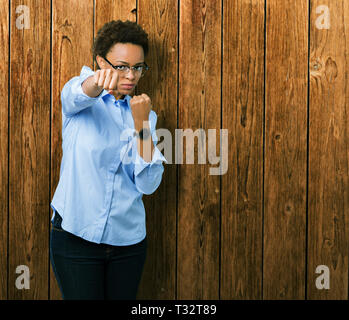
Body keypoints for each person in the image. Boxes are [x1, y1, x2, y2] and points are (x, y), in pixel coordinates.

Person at [49, 20, 167, 300]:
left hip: (128, 243)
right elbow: (77, 94)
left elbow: (149, 184)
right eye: (121, 66)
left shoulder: (145, 115)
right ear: (101, 61)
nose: (131, 75)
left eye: (138, 67)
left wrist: (142, 127)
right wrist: (97, 81)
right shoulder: (80, 99)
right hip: (75, 238)